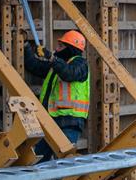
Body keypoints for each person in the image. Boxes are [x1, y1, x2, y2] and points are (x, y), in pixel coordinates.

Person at [25, 30, 90, 162]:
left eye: (60, 46)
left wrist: (52, 58)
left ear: (70, 49)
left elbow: (69, 73)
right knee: (39, 160)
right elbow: (34, 66)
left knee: (63, 162)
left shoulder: (80, 64)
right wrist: (26, 45)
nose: (56, 49)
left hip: (69, 122)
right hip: (51, 120)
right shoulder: (57, 65)